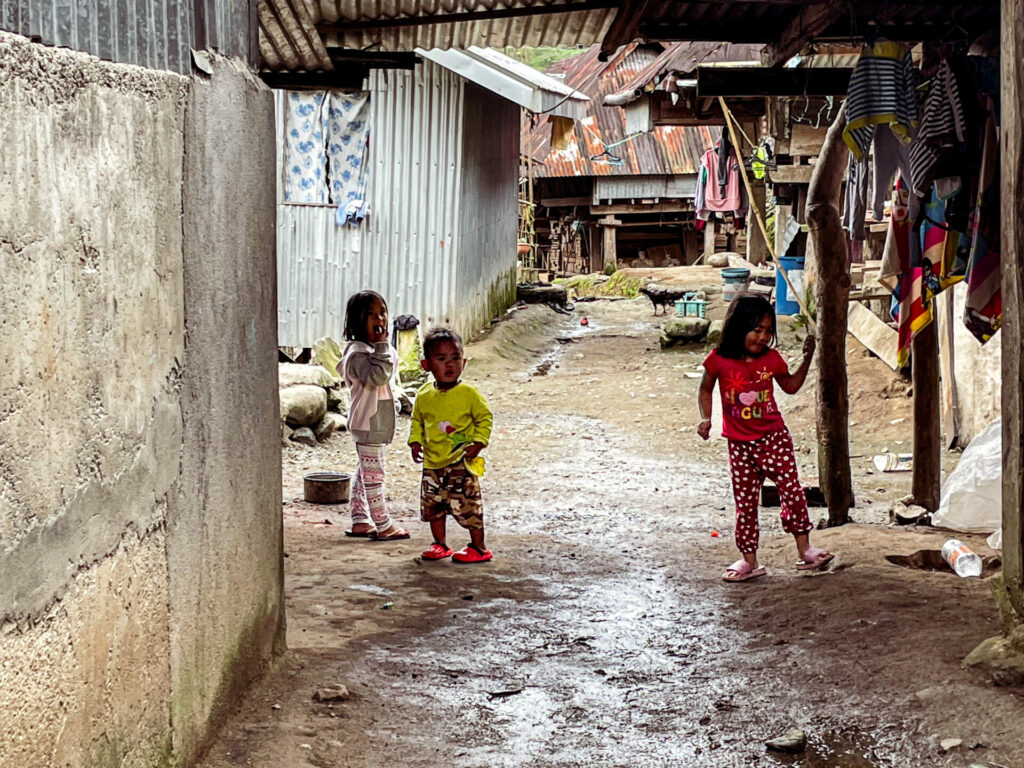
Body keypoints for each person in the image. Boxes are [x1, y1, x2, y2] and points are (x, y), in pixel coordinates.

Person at [697, 294, 833, 582]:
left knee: (793, 493)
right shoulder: (718, 359)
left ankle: (805, 550)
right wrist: (706, 418)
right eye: (757, 330)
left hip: (774, 439)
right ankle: (749, 561)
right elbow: (706, 389)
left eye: (768, 331)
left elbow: (792, 386)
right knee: (744, 504)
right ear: (738, 327)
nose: (763, 337)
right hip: (739, 445)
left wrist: (807, 358)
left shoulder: (771, 359)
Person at [409, 328, 493, 563]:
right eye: (442, 359)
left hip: (461, 463)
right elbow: (417, 420)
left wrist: (478, 442)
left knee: (469, 507)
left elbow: (485, 418)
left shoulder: (469, 394)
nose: (449, 365)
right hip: (432, 464)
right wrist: (415, 441)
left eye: (455, 358)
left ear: (463, 362)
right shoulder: (424, 395)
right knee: (434, 506)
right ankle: (440, 544)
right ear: (426, 365)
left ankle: (479, 547)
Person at [338, 290, 409, 541]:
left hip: (375, 422)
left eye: (383, 312)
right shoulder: (357, 354)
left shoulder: (373, 349)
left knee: (364, 472)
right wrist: (382, 345)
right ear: (357, 320)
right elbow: (378, 375)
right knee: (374, 476)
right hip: (369, 422)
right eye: (371, 314)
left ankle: (360, 519)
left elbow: (389, 374)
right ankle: (383, 523)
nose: (380, 318)